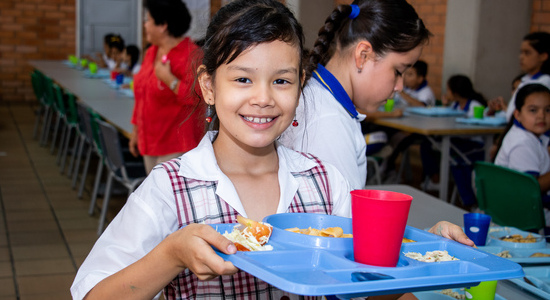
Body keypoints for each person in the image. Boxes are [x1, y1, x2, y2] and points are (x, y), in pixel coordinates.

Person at [71, 1, 472, 299]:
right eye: (243, 79)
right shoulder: (171, 189)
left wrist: (423, 256)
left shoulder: (324, 182)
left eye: (281, 81)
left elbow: (369, 281)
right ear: (209, 86)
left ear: (300, 84)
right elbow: (93, 294)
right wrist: (171, 255)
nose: (263, 98)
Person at [280, 0, 432, 190]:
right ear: (363, 56)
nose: (399, 86)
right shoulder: (329, 122)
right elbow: (342, 218)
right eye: (398, 71)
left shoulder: (322, 99)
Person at [129, 0, 205, 174]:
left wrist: (169, 79)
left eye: (148, 20)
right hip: (149, 141)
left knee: (169, 200)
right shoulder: (151, 52)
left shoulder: (192, 55)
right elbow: (141, 95)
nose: (145, 25)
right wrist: (135, 131)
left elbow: (199, 97)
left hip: (176, 145)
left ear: (162, 25)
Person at [420, 75, 486, 205]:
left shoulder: (474, 105)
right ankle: (435, 180)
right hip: (456, 140)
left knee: (456, 161)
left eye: (448, 90)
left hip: (473, 144)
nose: (446, 92)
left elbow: (475, 128)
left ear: (455, 92)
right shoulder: (455, 105)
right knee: (427, 145)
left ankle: (470, 202)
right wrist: (445, 106)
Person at [495, 83, 550, 224]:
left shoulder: (532, 136)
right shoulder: (522, 143)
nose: (541, 116)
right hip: (524, 215)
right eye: (533, 110)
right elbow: (530, 189)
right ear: (518, 114)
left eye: (548, 110)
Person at [504, 31, 550, 121]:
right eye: (521, 52)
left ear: (543, 56)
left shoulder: (545, 82)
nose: (521, 57)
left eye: (527, 53)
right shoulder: (526, 79)